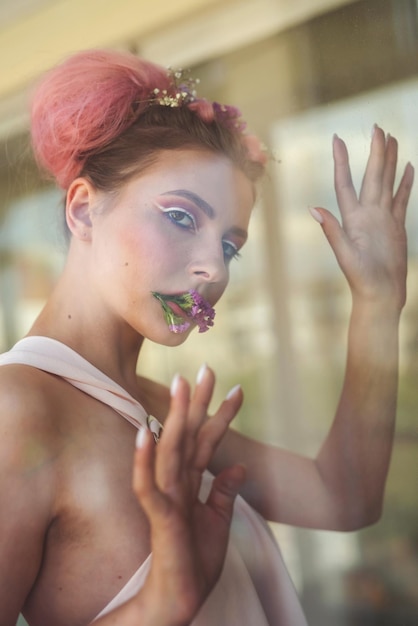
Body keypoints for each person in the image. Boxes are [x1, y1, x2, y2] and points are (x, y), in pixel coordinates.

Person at [0, 48, 413, 626]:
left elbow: (341, 496)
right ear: (85, 211)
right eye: (181, 217)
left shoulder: (160, 409)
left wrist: (377, 301)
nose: (214, 273)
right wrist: (160, 605)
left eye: (229, 246)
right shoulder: (16, 409)